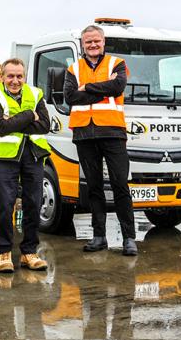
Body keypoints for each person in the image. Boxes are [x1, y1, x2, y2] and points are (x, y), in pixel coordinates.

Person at [63, 25, 137, 256]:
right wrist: (102, 90)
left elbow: (118, 86)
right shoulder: (73, 68)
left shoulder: (117, 64)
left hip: (113, 132)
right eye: (88, 42)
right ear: (83, 44)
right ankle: (99, 236)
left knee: (120, 185)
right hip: (84, 134)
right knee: (93, 188)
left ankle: (129, 238)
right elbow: (71, 96)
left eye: (96, 41)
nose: (93, 45)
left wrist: (88, 87)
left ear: (103, 42)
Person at [0, 58, 51, 273]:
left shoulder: (36, 94)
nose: (15, 81)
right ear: (2, 77)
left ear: (24, 76)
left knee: (33, 202)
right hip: (5, 156)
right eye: (10, 76)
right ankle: (4, 253)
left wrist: (15, 121)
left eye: (19, 76)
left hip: (33, 154)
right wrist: (30, 115)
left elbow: (45, 126)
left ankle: (29, 252)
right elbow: (1, 127)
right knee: (5, 203)